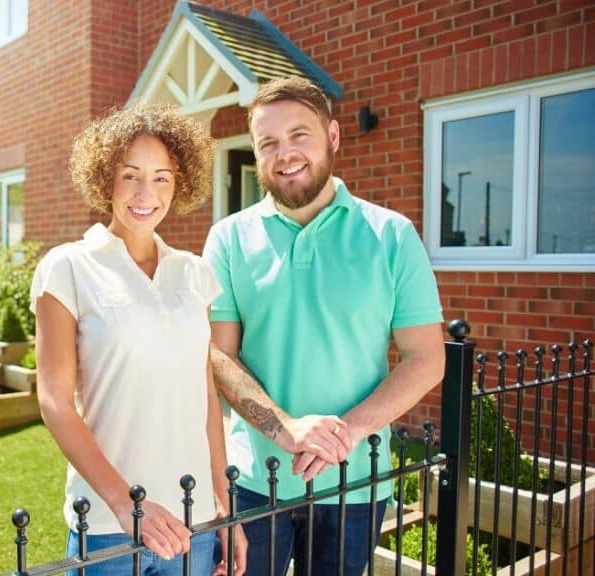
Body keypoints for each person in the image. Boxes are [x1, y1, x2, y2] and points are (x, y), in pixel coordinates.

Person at [202, 77, 445, 576]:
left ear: (333, 136)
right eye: (268, 142)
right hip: (255, 480)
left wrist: (345, 433)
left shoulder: (392, 235)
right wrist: (287, 427)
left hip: (355, 481)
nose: (284, 153)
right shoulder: (228, 239)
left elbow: (427, 357)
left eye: (299, 135)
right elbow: (218, 355)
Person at [31, 105, 246, 576]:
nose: (146, 193)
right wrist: (130, 505)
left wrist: (223, 504)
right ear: (106, 178)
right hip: (110, 523)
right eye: (130, 176)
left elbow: (204, 394)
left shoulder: (194, 274)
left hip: (194, 519)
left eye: (162, 178)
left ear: (179, 183)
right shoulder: (67, 268)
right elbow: (54, 401)